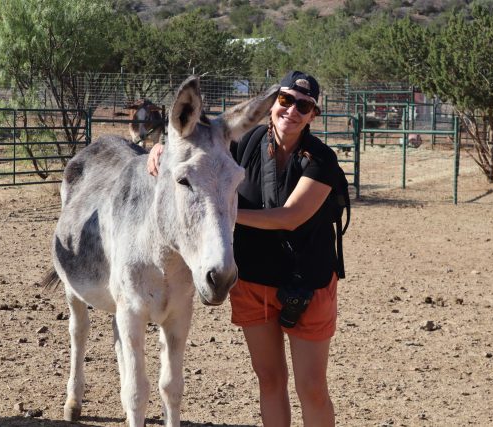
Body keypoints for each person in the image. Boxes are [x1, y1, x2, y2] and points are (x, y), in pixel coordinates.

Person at [148, 71, 346, 427]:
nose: (292, 111)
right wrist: (163, 148)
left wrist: (225, 218)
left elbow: (290, 217)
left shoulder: (321, 160)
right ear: (273, 105)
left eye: (304, 105)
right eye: (285, 100)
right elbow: (199, 149)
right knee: (269, 381)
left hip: (307, 282)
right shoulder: (243, 143)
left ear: (313, 114)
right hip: (252, 281)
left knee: (312, 387)